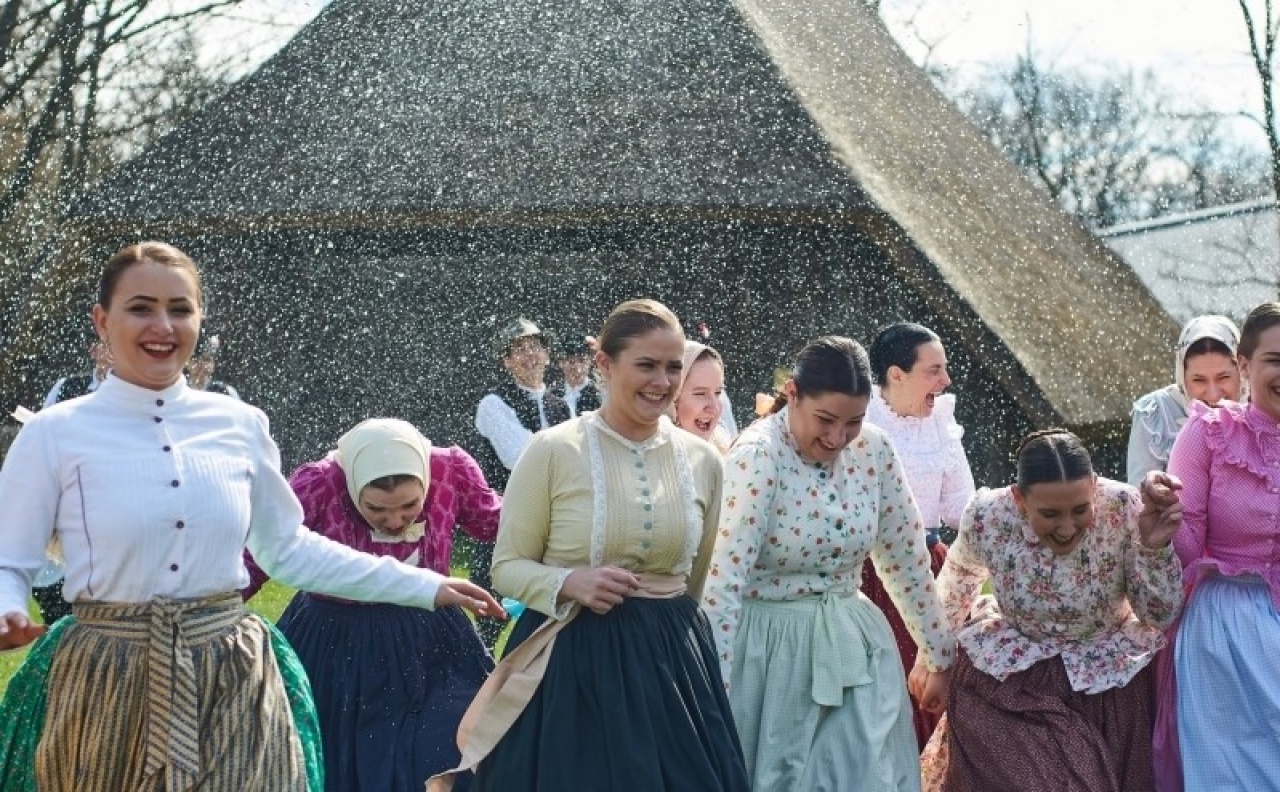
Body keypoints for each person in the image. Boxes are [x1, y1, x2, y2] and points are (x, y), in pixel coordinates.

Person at [0, 241, 502, 791]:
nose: (162, 325)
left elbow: (287, 547)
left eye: (180, 308)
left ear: (199, 319)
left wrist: (427, 586)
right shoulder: (55, 432)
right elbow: (10, 556)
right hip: (106, 668)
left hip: (231, 669)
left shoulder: (240, 423)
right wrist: (5, 609)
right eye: (141, 307)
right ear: (102, 320)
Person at [436, 299, 748, 791]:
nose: (662, 382)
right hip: (571, 665)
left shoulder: (703, 462)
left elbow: (696, 578)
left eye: (671, 368)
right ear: (604, 363)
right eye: (645, 365)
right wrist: (567, 581)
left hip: (672, 669)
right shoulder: (553, 450)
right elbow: (507, 566)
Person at [701, 335, 953, 792]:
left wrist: (937, 653)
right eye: (825, 420)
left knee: (865, 778)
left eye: (853, 421)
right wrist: (711, 683)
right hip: (771, 655)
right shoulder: (758, 456)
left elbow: (906, 557)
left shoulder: (874, 450)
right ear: (793, 394)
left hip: (855, 648)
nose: (838, 437)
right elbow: (723, 579)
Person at [242, 418, 500, 792]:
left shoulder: (451, 471)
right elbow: (259, 557)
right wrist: (209, 611)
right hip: (337, 640)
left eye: (410, 506)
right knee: (343, 751)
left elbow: (500, 523)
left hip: (433, 639)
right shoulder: (318, 485)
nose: (395, 521)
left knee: (449, 742)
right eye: (376, 509)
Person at [928, 430, 1183, 792]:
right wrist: (934, 663)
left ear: (1094, 487)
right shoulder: (988, 515)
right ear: (1019, 499)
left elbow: (1160, 615)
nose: (1066, 528)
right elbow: (957, 584)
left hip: (1103, 688)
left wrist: (1153, 547)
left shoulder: (1125, 508)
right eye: (1049, 514)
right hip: (1014, 684)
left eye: (1080, 510)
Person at [1161, 302, 1280, 791]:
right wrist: (1161, 518)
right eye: (1275, 359)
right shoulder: (1207, 434)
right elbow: (1186, 548)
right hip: (1224, 630)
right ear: (1246, 365)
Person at [864, 322, 975, 748]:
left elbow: (960, 506)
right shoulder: (862, 418)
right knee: (884, 682)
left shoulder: (942, 422)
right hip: (871, 572)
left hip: (928, 566)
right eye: (934, 370)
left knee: (936, 679)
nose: (946, 381)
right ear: (896, 374)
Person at [471, 317, 571, 649]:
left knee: (553, 608)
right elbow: (519, 458)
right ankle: (482, 686)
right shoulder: (492, 404)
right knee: (492, 613)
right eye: (519, 350)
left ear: (545, 354)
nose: (529, 356)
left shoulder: (561, 404)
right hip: (505, 517)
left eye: (535, 348)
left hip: (554, 518)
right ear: (506, 361)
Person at [28, 339, 114, 626]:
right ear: (93, 350)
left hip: (108, 499)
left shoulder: (138, 394)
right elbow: (43, 433)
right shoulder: (67, 387)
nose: (110, 353)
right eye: (105, 346)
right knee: (54, 595)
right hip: (68, 496)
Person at [1127, 314, 1241, 487]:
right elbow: (1138, 497)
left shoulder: (1260, 411)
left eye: (1223, 377)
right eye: (1199, 380)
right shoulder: (1155, 414)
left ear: (1241, 371)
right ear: (1182, 376)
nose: (1213, 394)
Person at [672, 340, 732, 453]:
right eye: (700, 394)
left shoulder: (726, 456)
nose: (714, 407)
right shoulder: (644, 463)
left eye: (718, 393)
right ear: (672, 398)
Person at [41, 339, 111, 407]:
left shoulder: (121, 393)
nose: (113, 352)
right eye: (106, 345)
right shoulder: (66, 386)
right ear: (93, 350)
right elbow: (47, 416)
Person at [554, 334, 601, 418]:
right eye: (571, 362)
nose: (577, 367)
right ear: (561, 363)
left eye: (582, 361)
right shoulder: (553, 395)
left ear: (590, 361)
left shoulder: (599, 394)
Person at [187, 334, 241, 399]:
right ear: (186, 363)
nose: (201, 365)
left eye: (206, 360)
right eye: (195, 360)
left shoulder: (224, 392)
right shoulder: (179, 390)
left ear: (213, 364)